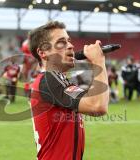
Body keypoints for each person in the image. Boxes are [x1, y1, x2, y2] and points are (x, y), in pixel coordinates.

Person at [28, 21, 109, 160]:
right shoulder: (49, 80)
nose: (71, 46)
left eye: (69, 41)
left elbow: (91, 101)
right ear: (43, 52)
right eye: (61, 42)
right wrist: (98, 62)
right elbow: (98, 106)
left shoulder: (55, 79)